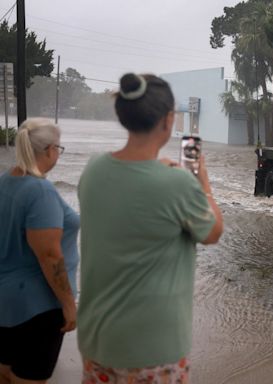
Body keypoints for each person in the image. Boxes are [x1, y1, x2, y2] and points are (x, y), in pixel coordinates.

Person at [77, 73, 223, 384]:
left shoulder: (93, 170)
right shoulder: (178, 183)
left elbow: (133, 199)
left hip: (97, 341)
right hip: (153, 351)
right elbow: (212, 233)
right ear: (169, 120)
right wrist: (201, 181)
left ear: (123, 115)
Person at [0, 118, 79, 384]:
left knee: (6, 373)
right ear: (49, 150)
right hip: (37, 306)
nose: (59, 153)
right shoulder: (40, 191)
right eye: (60, 148)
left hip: (6, 302)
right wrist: (68, 304)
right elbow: (49, 255)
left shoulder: (5, 181)